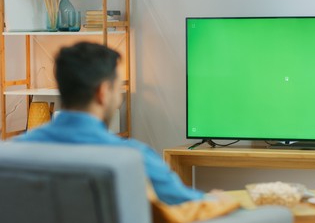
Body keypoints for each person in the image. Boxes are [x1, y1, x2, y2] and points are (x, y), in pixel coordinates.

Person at [13, 42, 207, 205]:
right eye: (117, 88)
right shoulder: (133, 158)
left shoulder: (13, 153)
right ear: (103, 92)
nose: (119, 98)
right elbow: (192, 206)